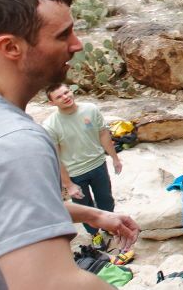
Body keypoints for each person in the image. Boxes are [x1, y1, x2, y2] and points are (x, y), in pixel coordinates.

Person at [0, 0, 139, 289]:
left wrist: (94, 215)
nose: (76, 45)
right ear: (11, 47)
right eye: (64, 35)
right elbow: (50, 283)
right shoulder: (18, 142)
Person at [43, 82, 123, 249]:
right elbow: (56, 157)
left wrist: (115, 158)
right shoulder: (51, 125)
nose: (65, 97)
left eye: (66, 92)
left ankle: (109, 226)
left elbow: (103, 134)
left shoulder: (91, 109)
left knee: (106, 199)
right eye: (59, 96)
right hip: (75, 173)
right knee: (84, 208)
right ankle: (94, 234)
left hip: (98, 164)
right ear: (52, 103)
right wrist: (68, 184)